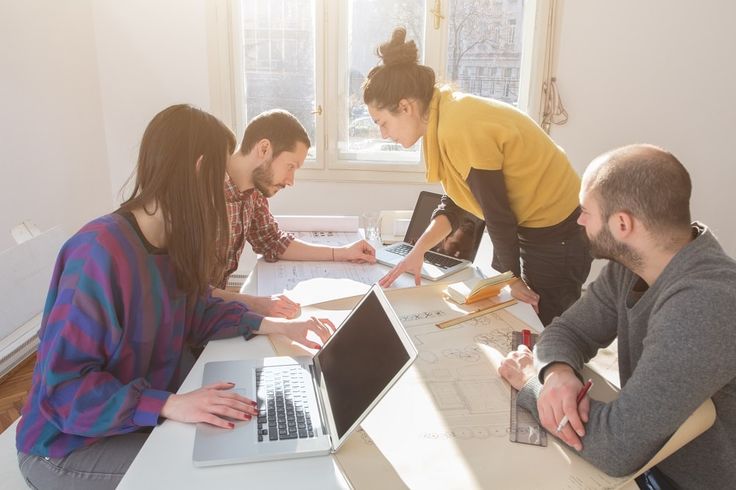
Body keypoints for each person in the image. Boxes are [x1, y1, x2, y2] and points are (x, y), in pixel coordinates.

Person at [15, 105, 337, 489]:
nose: (226, 190)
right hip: (66, 446)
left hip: (131, 417)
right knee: (217, 476)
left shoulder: (172, 243)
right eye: (220, 175)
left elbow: (198, 311)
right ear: (200, 171)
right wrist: (169, 404)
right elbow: (64, 390)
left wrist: (277, 326)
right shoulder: (98, 252)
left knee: (240, 437)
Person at [498, 144, 736, 488]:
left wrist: (530, 383)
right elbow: (568, 331)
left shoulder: (706, 305)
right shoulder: (633, 265)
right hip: (655, 461)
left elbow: (617, 447)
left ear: (622, 223)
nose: (579, 220)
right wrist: (557, 374)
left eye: (586, 211)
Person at [363, 27, 591, 325]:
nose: (383, 134)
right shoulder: (444, 116)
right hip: (538, 229)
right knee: (526, 319)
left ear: (405, 107)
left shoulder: (458, 126)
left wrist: (510, 278)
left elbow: (497, 215)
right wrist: (418, 251)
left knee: (547, 327)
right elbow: (457, 203)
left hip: (558, 234)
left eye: (382, 122)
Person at [212, 109, 376, 319]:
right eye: (290, 166)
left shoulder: (253, 192)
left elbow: (273, 242)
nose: (291, 181)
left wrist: (342, 252)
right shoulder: (206, 191)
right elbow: (188, 290)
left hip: (210, 311)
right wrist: (257, 304)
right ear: (264, 149)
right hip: (184, 320)